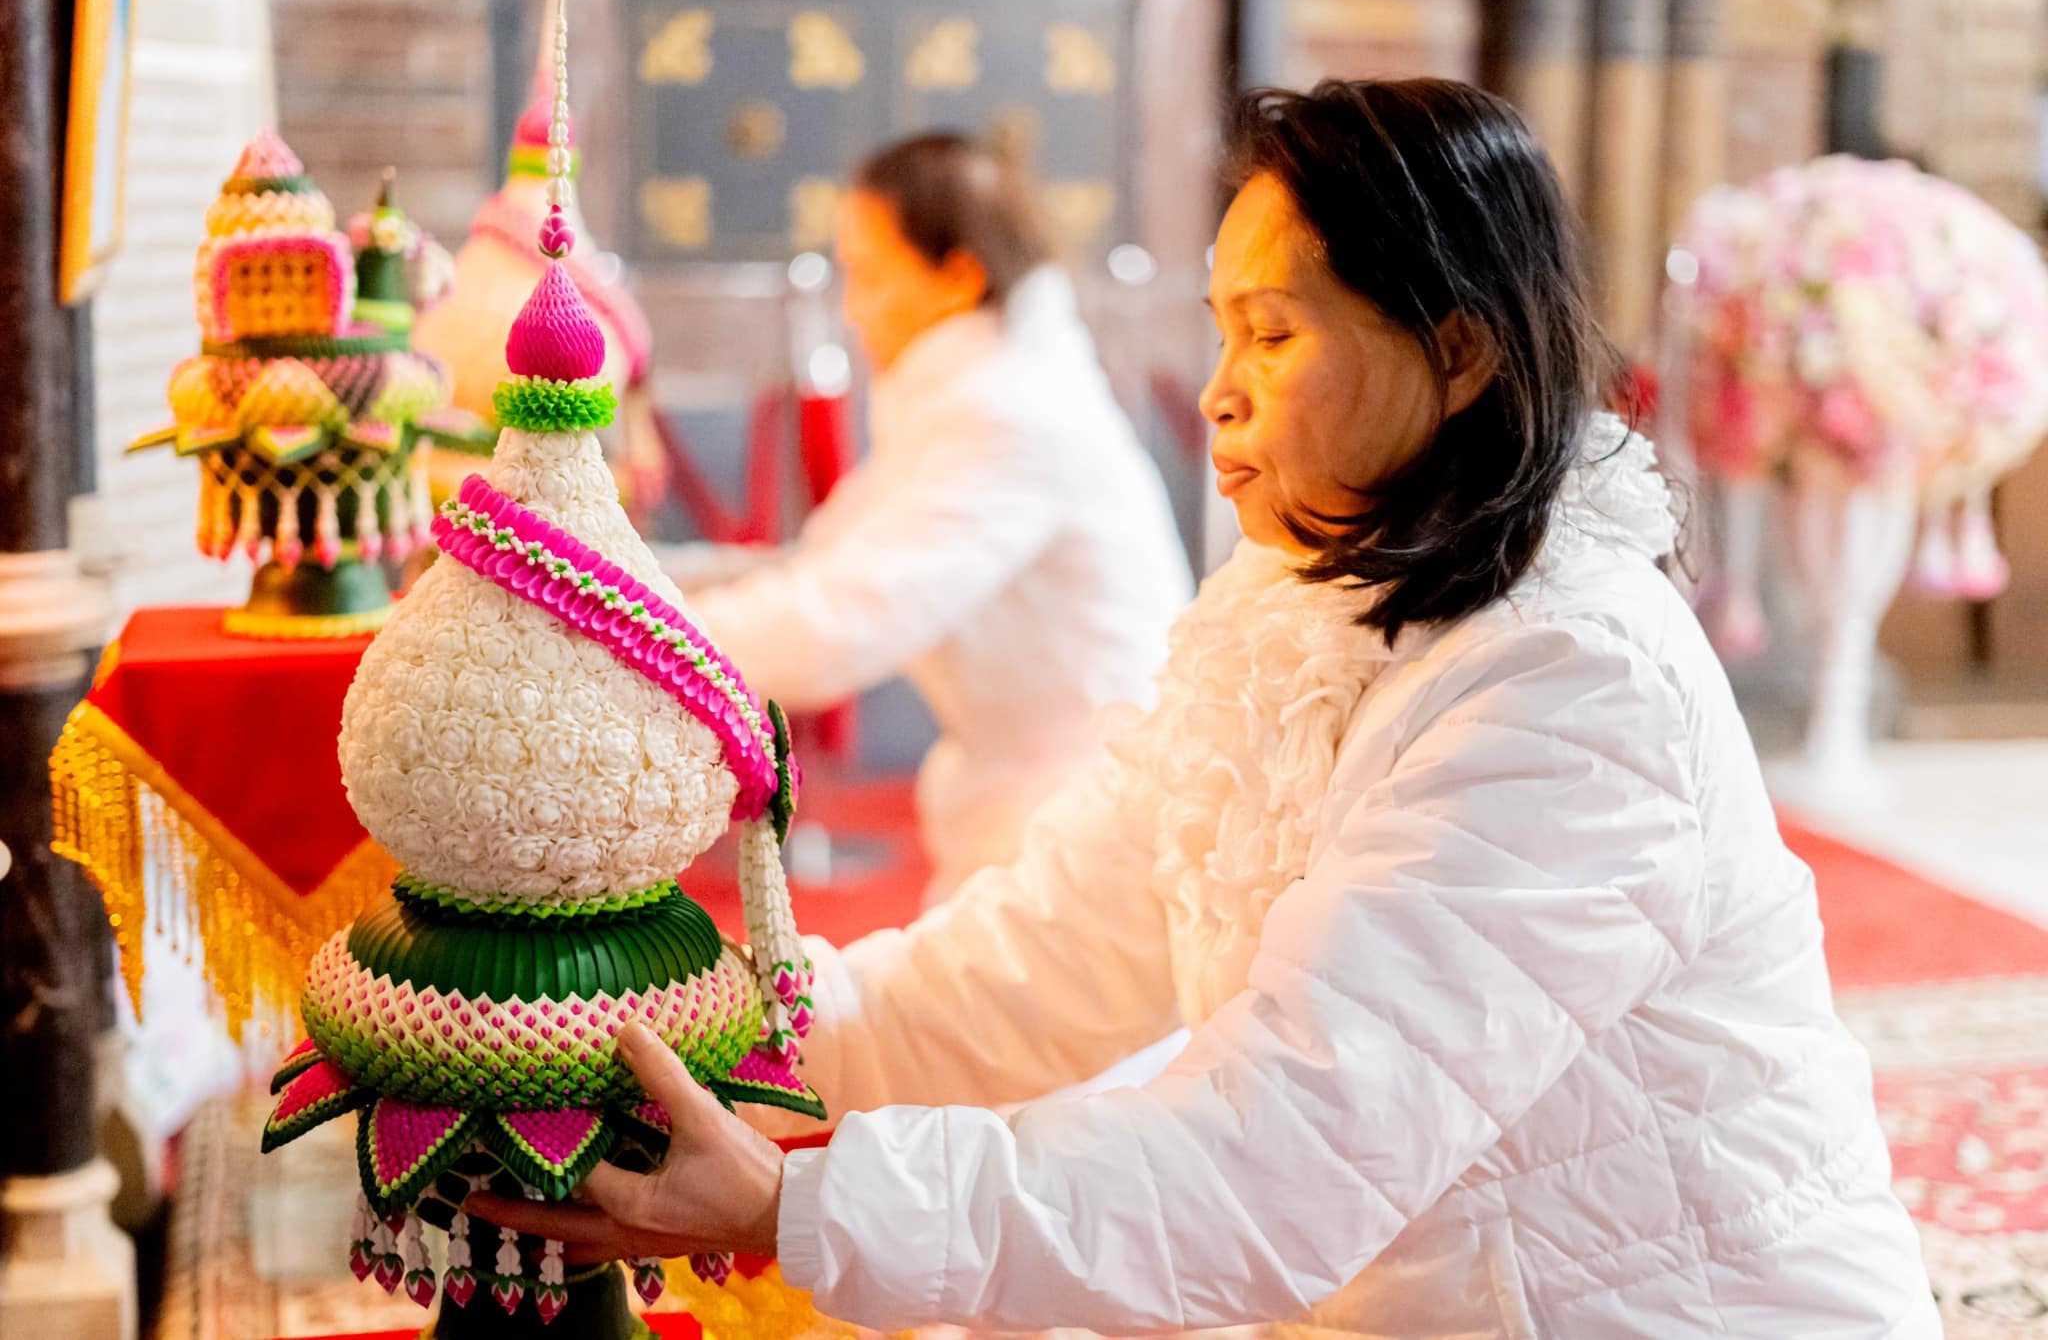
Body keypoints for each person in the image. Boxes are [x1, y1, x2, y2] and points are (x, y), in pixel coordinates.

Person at [475, 81, 1938, 1338]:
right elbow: (1042, 962)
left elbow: (1279, 1158)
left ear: (1460, 349)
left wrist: (805, 1201)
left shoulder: (1573, 680)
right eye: (1219, 335)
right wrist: (706, 1026)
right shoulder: (1293, 598)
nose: (1221, 396)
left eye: (1276, 337)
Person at [677, 134, 1194, 902]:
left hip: (1080, 825)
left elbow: (839, 621)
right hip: (1037, 809)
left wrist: (626, 630)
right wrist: (624, 584)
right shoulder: (984, 390)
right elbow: (820, 567)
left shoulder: (1010, 412)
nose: (852, 310)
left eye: (870, 275)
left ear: (958, 276)